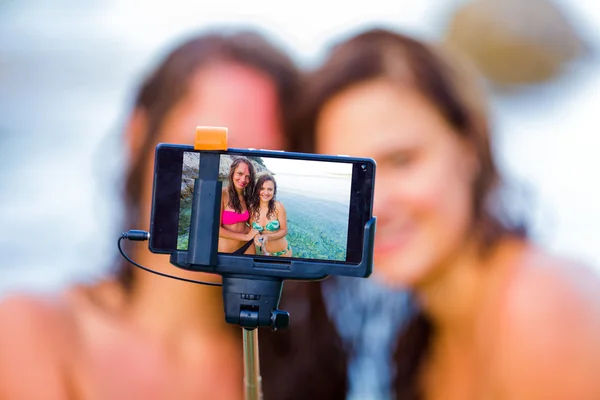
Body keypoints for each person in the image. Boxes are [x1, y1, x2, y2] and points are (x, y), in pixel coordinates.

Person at [0, 29, 347, 400]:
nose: (233, 183)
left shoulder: (298, 363)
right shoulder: (29, 333)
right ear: (137, 138)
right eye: (207, 153)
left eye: (259, 161)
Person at [304, 27, 600, 399]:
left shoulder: (542, 307)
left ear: (469, 148)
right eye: (350, 177)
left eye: (402, 161)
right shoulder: (426, 331)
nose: (375, 204)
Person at [219, 156, 259, 254]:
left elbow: (250, 223)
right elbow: (215, 229)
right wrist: (245, 237)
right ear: (232, 172)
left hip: (248, 245)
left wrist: (256, 234)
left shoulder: (246, 197)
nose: (243, 179)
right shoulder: (222, 194)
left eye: (247, 177)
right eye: (240, 174)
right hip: (229, 251)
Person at [250, 173, 292, 257]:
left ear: (274, 191)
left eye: (269, 189)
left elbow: (284, 231)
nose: (266, 192)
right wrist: (257, 235)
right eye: (262, 188)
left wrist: (268, 237)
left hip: (282, 253)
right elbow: (252, 229)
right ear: (257, 190)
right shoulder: (252, 208)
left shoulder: (278, 207)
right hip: (265, 253)